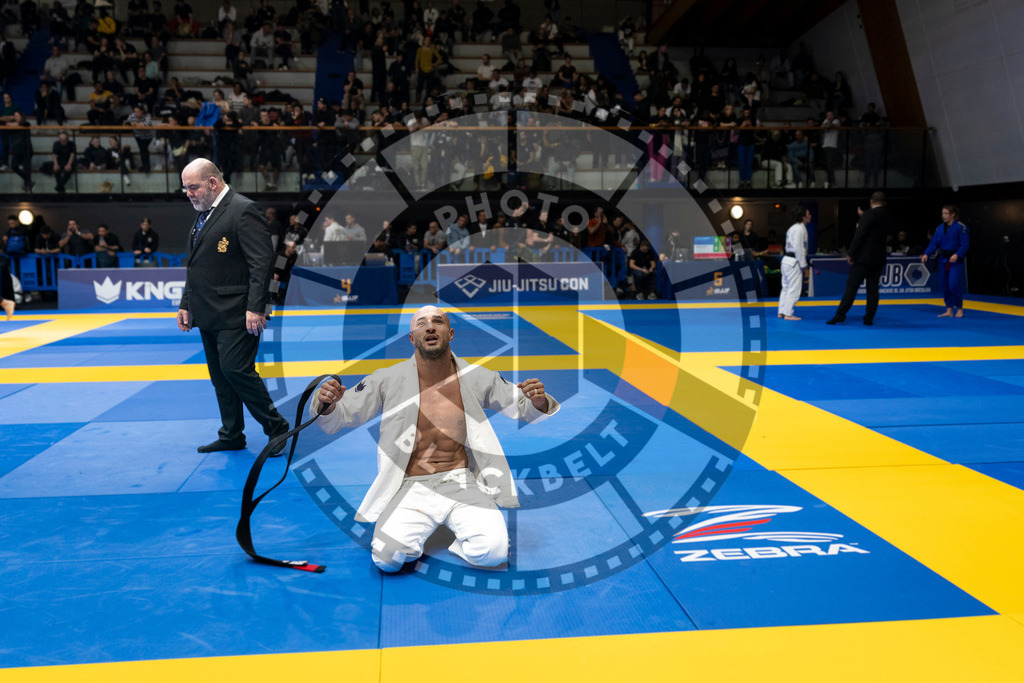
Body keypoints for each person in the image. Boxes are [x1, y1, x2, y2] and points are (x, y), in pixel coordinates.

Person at [311, 305, 559, 572]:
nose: (430, 326)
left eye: (438, 322)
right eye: (421, 323)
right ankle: (415, 533)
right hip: (411, 485)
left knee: (493, 553)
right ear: (411, 338)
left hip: (461, 482)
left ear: (450, 333)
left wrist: (538, 400)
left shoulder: (475, 376)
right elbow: (341, 414)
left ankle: (454, 539)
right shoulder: (387, 378)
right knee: (386, 559)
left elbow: (522, 406)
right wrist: (327, 402)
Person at [176, 158, 289, 454]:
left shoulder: (242, 210)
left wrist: (257, 307)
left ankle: (276, 427)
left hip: (238, 312)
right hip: (207, 311)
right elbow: (197, 267)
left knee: (236, 369)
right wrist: (185, 303)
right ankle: (231, 434)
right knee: (220, 377)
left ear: (212, 183)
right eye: (185, 188)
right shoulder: (203, 215)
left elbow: (261, 264)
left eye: (193, 187)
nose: (188, 193)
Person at [827, 192, 893, 326]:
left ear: (871, 202)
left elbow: (860, 235)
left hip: (863, 258)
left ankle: (840, 315)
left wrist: (851, 253)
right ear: (884, 203)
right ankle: (869, 318)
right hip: (879, 258)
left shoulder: (868, 215)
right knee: (873, 289)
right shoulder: (887, 215)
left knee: (851, 287)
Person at [922, 205, 970, 318]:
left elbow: (965, 244)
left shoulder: (961, 227)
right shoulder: (939, 228)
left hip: (955, 260)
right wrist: (926, 253)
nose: (943, 216)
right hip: (942, 259)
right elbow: (934, 243)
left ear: (952, 214)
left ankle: (959, 308)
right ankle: (949, 309)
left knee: (953, 285)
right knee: (944, 286)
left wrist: (957, 254)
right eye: (942, 213)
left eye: (946, 213)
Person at [778, 205, 810, 321]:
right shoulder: (800, 229)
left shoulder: (793, 228)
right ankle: (788, 313)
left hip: (786, 261)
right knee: (794, 288)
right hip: (794, 262)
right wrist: (803, 264)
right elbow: (798, 248)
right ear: (803, 217)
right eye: (808, 214)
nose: (810, 216)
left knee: (786, 287)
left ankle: (782, 311)